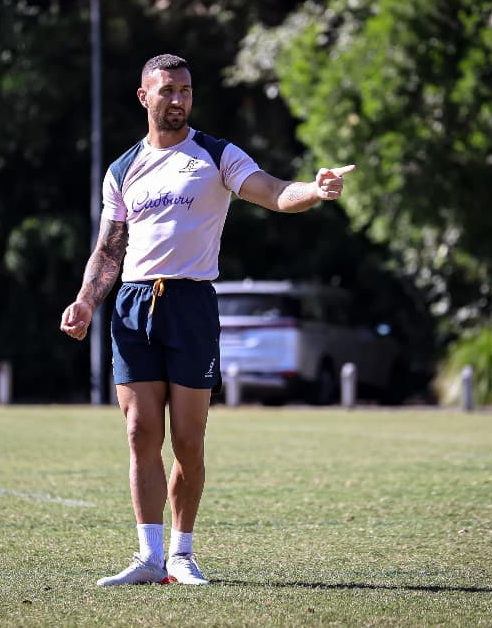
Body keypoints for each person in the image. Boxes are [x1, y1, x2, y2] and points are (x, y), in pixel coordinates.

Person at [59, 53, 352, 586]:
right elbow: (108, 251)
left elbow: (274, 192)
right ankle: (148, 558)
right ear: (145, 96)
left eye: (186, 90)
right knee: (139, 431)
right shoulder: (122, 169)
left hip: (191, 305)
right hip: (132, 303)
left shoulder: (217, 155)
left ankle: (181, 555)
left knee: (188, 439)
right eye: (167, 90)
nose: (178, 100)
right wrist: (85, 301)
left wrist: (316, 189)